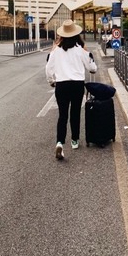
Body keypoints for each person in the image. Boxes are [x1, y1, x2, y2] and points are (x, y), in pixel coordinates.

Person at [46, 19, 97, 160]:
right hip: (77, 85)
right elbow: (92, 69)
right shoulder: (81, 50)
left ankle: (60, 143)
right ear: (76, 35)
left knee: (62, 115)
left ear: (62, 35)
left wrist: (51, 81)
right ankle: (75, 141)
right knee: (75, 113)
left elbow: (48, 69)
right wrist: (88, 54)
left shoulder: (55, 51)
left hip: (61, 85)